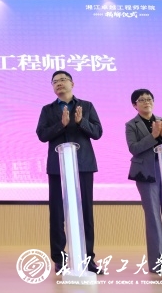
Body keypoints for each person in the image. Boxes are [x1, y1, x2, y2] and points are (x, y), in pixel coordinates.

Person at [36, 71, 103, 274]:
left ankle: (88, 259)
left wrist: (81, 122)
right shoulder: (47, 109)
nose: (59, 84)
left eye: (63, 80)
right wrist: (61, 125)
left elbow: (97, 133)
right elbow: (42, 135)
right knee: (57, 214)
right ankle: (60, 259)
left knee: (85, 213)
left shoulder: (86, 106)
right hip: (58, 167)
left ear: (72, 83)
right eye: (55, 82)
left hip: (83, 165)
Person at [126, 88, 162, 274]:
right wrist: (153, 136)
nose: (146, 102)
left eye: (149, 99)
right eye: (141, 100)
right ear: (135, 105)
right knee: (153, 217)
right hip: (146, 174)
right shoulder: (131, 125)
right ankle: (159, 263)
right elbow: (134, 148)